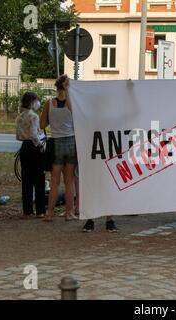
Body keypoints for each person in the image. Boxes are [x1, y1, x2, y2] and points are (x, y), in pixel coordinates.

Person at [40, 75, 77, 222]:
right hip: (71, 142)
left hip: (56, 143)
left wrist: (52, 120)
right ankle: (69, 213)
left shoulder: (49, 104)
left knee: (54, 181)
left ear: (56, 86)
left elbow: (42, 125)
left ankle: (49, 213)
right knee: (69, 181)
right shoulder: (72, 103)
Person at [15, 92, 46, 217]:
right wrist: (40, 145)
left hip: (24, 148)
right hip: (34, 149)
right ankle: (40, 210)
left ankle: (27, 210)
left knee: (26, 180)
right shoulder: (34, 116)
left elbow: (17, 136)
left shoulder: (20, 117)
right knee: (39, 179)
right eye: (36, 100)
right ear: (32, 102)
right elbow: (34, 135)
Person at [74, 166, 118, 232]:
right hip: (91, 165)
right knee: (90, 189)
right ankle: (90, 219)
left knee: (109, 189)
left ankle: (109, 220)